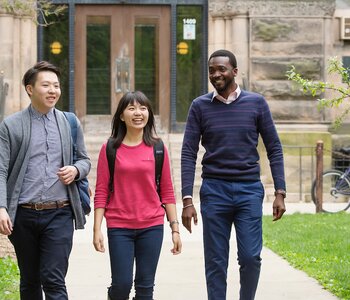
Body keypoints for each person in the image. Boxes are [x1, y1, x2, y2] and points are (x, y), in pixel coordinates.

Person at [181, 49, 286, 300]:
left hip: (249, 189)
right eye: (212, 70)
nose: (216, 74)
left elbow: (274, 148)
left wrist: (280, 192)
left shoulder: (256, 103)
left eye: (221, 69)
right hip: (214, 190)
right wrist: (187, 199)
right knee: (216, 261)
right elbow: (188, 152)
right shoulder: (199, 106)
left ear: (234, 72)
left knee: (251, 257)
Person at [0, 61, 91, 299]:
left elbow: (85, 160)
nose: (53, 91)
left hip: (59, 213)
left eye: (56, 86)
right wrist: (1, 207)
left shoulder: (69, 122)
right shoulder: (11, 125)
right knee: (30, 281)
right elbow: (1, 170)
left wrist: (75, 170)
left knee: (53, 279)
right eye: (46, 85)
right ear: (30, 89)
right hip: (24, 215)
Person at [93, 91, 182, 300]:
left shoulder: (158, 148)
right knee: (121, 285)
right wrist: (97, 229)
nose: (138, 113)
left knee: (145, 289)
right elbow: (101, 190)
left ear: (149, 113)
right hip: (119, 226)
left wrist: (175, 229)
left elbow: (167, 191)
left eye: (143, 108)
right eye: (131, 108)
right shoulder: (110, 148)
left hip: (151, 226)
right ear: (122, 116)